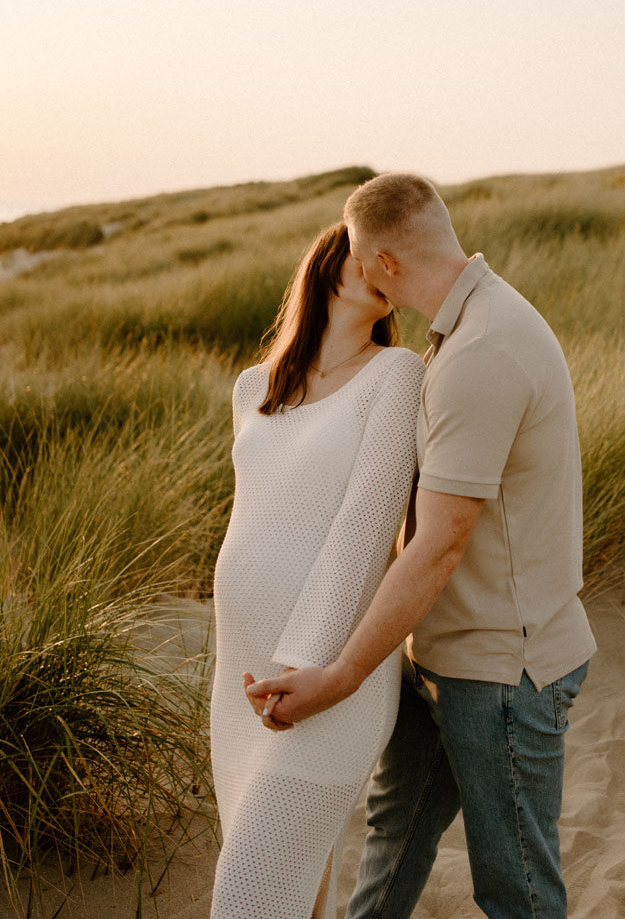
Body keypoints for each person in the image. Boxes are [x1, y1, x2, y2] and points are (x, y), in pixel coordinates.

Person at [247, 173, 598, 919]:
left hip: (504, 671)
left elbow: (438, 546)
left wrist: (338, 676)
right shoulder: (461, 331)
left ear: (385, 264)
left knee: (517, 891)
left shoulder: (482, 351)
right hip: (436, 659)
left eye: (359, 256)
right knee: (392, 846)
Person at [209, 220, 426, 919]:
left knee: (249, 891)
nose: (386, 269)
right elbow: (252, 518)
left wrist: (309, 668)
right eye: (371, 254)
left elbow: (365, 532)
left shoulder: (397, 375)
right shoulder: (253, 388)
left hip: (321, 674)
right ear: (330, 262)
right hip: (239, 670)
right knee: (297, 887)